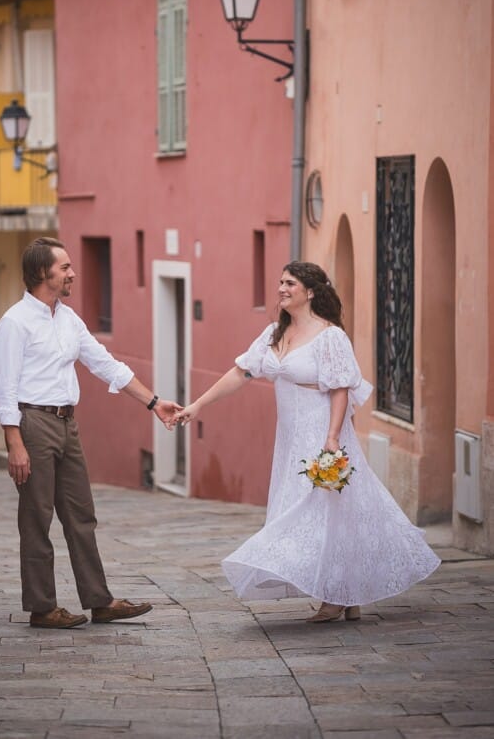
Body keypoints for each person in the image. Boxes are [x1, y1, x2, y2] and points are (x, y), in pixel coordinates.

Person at [175, 261, 440, 622]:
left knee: (323, 510)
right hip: (289, 438)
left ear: (311, 291)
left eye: (291, 283)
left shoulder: (330, 336)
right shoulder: (273, 333)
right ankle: (346, 594)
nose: (282, 288)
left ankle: (337, 595)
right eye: (280, 281)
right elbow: (242, 372)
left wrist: (332, 437)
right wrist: (197, 405)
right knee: (314, 510)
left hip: (321, 433)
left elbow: (341, 389)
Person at [0, 237, 182, 629]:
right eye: (64, 268)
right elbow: (5, 388)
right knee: (36, 518)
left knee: (81, 515)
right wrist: (15, 443)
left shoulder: (68, 318)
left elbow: (105, 363)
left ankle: (100, 600)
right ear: (42, 273)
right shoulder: (14, 323)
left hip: (66, 424)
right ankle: (43, 607)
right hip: (33, 423)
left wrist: (153, 402)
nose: (72, 273)